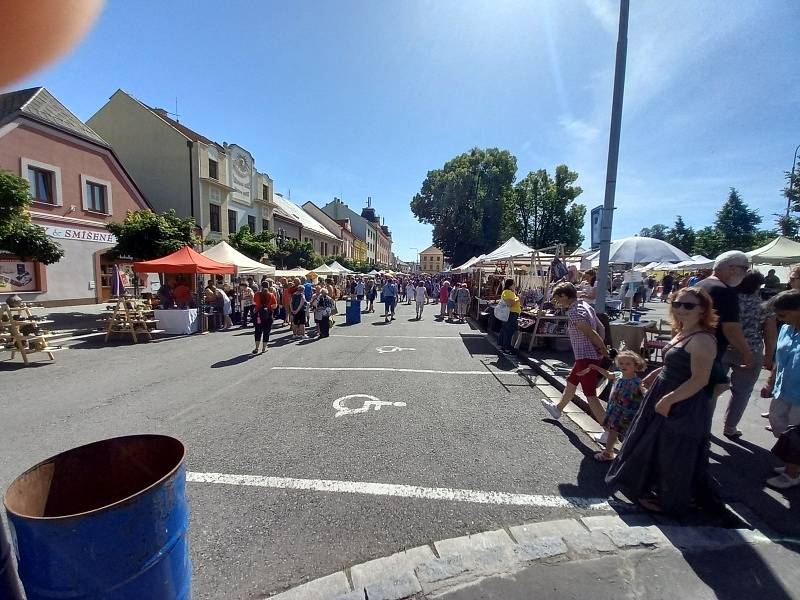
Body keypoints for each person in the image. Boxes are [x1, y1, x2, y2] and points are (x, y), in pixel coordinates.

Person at [606, 287, 717, 514]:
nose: (681, 309)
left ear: (703, 309)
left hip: (683, 402)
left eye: (688, 305)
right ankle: (654, 490)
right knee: (654, 444)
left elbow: (700, 380)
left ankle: (672, 501)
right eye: (677, 304)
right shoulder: (683, 331)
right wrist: (652, 376)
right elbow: (672, 365)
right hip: (664, 392)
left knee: (673, 451)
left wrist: (669, 399)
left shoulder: (703, 339)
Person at [541, 282, 609, 423]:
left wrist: (602, 348)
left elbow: (591, 333)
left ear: (565, 295)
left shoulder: (574, 313)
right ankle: (558, 409)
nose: (557, 301)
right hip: (587, 356)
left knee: (590, 395)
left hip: (586, 357)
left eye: (558, 298)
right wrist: (600, 348)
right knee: (571, 382)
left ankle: (608, 430)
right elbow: (601, 328)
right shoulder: (585, 306)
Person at [721, 272, 777, 437]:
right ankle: (730, 427)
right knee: (742, 391)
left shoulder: (728, 301)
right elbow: (770, 333)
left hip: (724, 348)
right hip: (752, 351)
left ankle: (704, 426)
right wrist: (769, 355)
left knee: (712, 388)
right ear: (758, 285)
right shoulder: (764, 306)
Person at [695, 251, 754, 399]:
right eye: (745, 269)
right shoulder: (725, 291)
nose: (745, 274)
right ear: (732, 268)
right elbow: (731, 328)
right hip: (710, 352)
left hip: (690, 346)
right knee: (704, 398)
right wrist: (746, 352)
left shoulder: (699, 285)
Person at [579, 350, 647, 462]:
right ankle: (608, 453)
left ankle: (628, 456)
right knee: (612, 432)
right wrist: (596, 367)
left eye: (628, 364)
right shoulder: (619, 375)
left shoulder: (637, 382)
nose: (623, 366)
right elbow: (608, 374)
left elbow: (645, 394)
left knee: (628, 434)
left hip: (629, 413)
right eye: (621, 363)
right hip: (615, 411)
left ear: (636, 366)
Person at [762, 290, 800, 489]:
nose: (778, 317)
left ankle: (792, 472)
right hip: (782, 388)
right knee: (777, 423)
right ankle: (793, 462)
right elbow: (779, 357)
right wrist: (770, 381)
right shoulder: (786, 329)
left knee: (795, 435)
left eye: (782, 314)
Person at [498, 279, 521, 355]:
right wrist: (518, 298)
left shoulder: (510, 292)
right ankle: (506, 348)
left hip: (512, 313)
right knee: (509, 330)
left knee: (505, 329)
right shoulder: (507, 292)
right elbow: (510, 303)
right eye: (514, 284)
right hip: (511, 313)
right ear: (510, 285)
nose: (515, 286)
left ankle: (502, 346)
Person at [252, 282, 277, 353]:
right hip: (268, 315)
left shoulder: (256, 294)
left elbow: (254, 303)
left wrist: (259, 307)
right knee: (266, 332)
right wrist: (268, 307)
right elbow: (275, 306)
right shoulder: (271, 295)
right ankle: (263, 348)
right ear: (269, 287)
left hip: (258, 315)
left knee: (257, 331)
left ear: (261, 286)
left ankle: (256, 348)